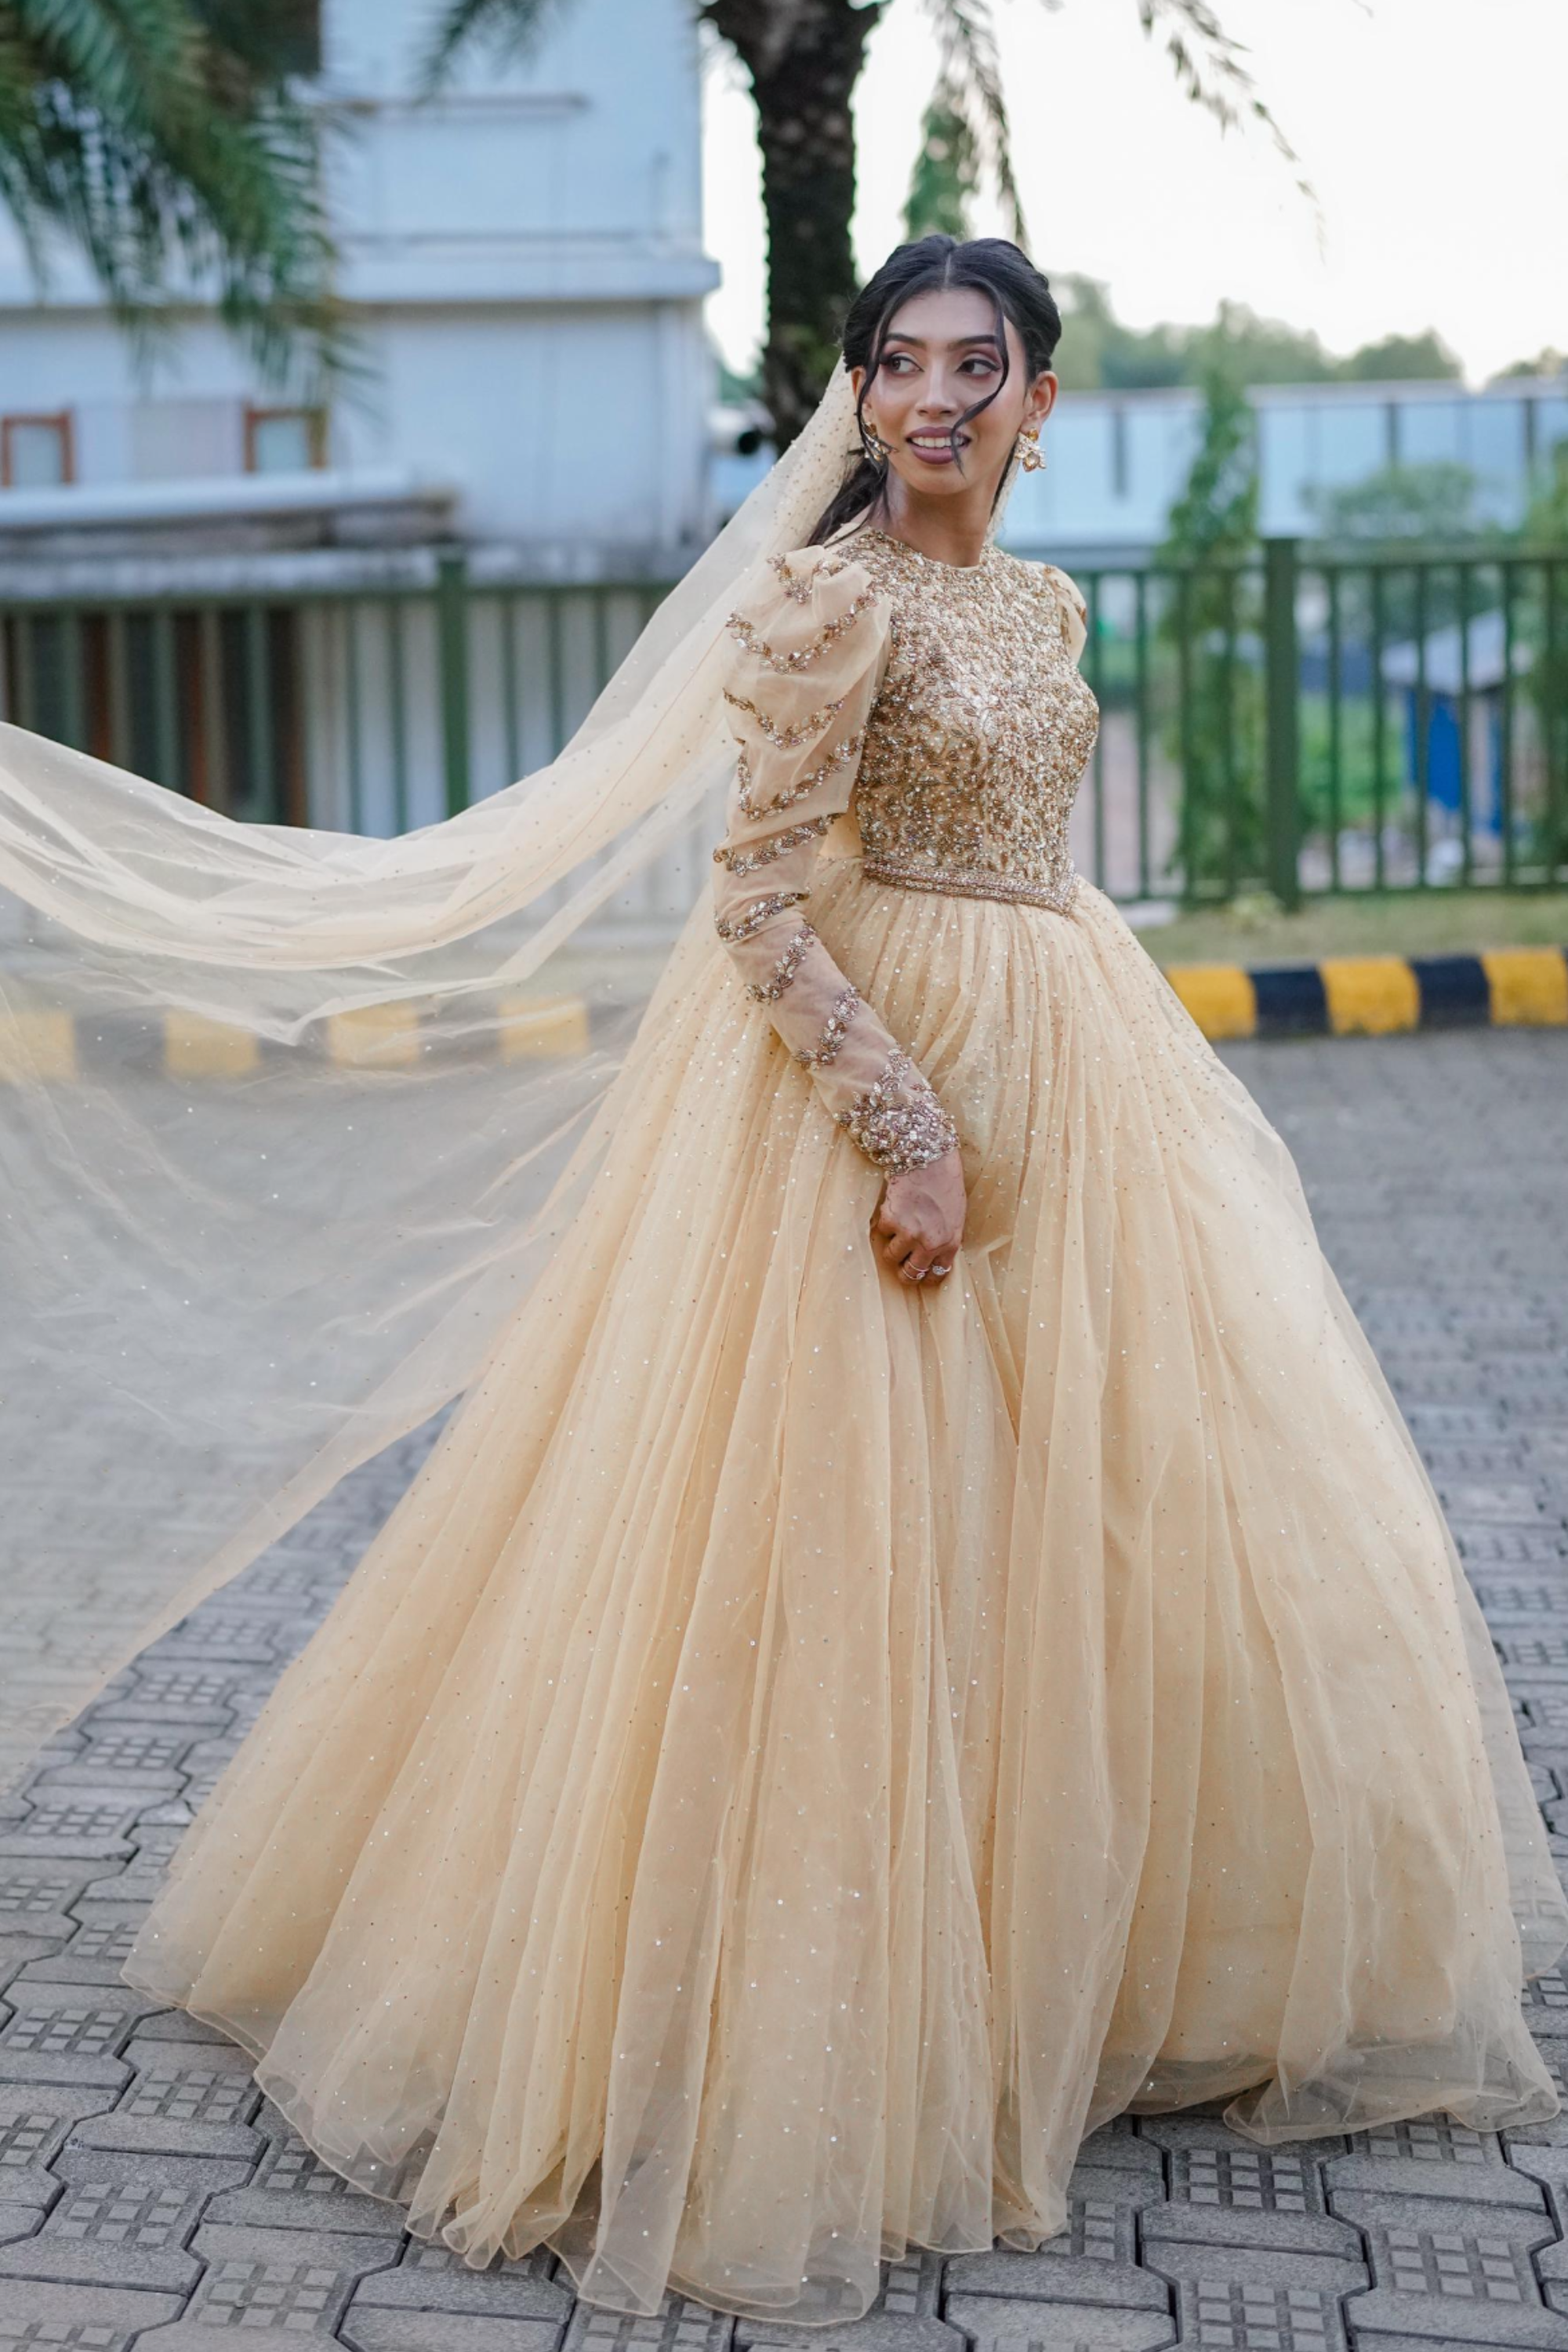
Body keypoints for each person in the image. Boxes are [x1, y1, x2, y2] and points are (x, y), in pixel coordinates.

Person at [2, 234, 1564, 2329]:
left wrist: (1033, 1080)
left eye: (976, 365)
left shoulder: (1049, 595)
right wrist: (907, 1129)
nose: (935, 397)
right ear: (854, 393)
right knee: (845, 1539)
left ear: (1039, 403)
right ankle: (772, 2013)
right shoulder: (831, 597)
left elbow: (1028, 839)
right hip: (867, 1078)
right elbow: (754, 900)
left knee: (1078, 1515)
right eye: (899, 363)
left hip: (1074, 1059)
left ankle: (1053, 1968)